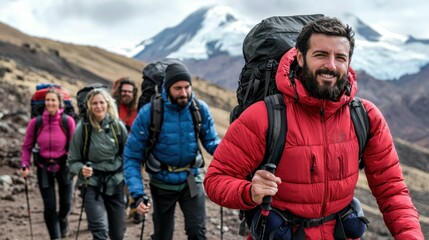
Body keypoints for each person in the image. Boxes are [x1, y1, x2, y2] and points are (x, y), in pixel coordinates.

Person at [203, 16, 423, 240]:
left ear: (349, 63)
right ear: (300, 57)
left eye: (340, 57)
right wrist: (249, 192)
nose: (331, 65)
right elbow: (215, 180)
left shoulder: (365, 116)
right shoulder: (265, 116)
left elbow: (392, 190)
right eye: (320, 55)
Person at [124, 61, 221, 240]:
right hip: (161, 184)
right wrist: (137, 194)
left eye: (187, 87)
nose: (184, 93)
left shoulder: (199, 109)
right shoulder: (149, 113)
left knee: (197, 233)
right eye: (178, 88)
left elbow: (212, 142)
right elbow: (132, 156)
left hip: (192, 180)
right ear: (167, 88)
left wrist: (232, 155)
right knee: (163, 235)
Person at [68, 88, 128, 240]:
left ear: (108, 104)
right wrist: (81, 169)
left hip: (115, 183)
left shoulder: (118, 126)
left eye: (102, 102)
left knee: (118, 234)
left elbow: (128, 155)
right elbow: (72, 160)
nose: (98, 106)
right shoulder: (83, 128)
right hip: (91, 184)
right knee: (100, 231)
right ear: (89, 106)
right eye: (94, 103)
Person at [20, 88, 76, 240]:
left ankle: (63, 219)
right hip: (43, 168)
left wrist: (75, 164)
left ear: (60, 103)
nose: (50, 103)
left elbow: (74, 146)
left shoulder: (67, 121)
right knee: (49, 206)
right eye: (48, 100)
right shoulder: (36, 123)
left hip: (64, 167)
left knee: (66, 205)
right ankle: (55, 236)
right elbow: (27, 146)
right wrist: (25, 164)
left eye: (53, 100)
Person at [111, 77, 143, 223]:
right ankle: (123, 208)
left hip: (136, 151)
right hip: (116, 152)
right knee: (121, 181)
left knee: (134, 180)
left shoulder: (139, 108)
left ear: (134, 93)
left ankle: (136, 209)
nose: (125, 94)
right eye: (123, 91)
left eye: (129, 91)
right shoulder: (113, 107)